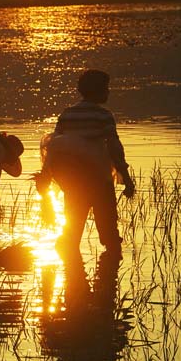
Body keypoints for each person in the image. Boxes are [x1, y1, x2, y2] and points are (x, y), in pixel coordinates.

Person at [36, 69, 135, 254]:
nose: (109, 92)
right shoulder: (103, 115)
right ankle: (109, 275)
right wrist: (126, 177)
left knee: (71, 233)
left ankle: (72, 275)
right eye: (106, 88)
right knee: (109, 234)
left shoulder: (67, 114)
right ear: (98, 91)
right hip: (98, 179)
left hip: (73, 182)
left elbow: (55, 147)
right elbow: (114, 146)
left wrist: (46, 176)